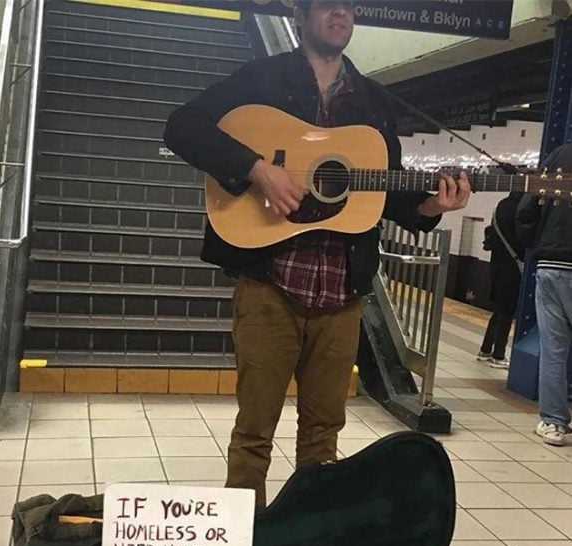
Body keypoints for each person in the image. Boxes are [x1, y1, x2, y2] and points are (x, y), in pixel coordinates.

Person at [164, 0, 471, 508]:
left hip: (343, 295)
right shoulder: (260, 79)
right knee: (254, 432)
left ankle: (314, 540)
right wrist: (257, 168)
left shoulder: (373, 104)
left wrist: (432, 206)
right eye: (328, 5)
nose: (341, 14)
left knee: (324, 438)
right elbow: (181, 127)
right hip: (270, 286)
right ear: (301, 16)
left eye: (349, 7)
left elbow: (385, 195)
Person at [517, 143, 572, 447]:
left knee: (553, 352)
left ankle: (553, 424)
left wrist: (536, 242)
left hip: (551, 264)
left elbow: (526, 209)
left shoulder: (560, 156)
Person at [477, 193, 525, 369]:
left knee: (499, 309)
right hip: (513, 266)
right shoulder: (521, 207)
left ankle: (485, 349)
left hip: (497, 264)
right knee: (507, 310)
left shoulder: (501, 205)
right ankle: (498, 355)